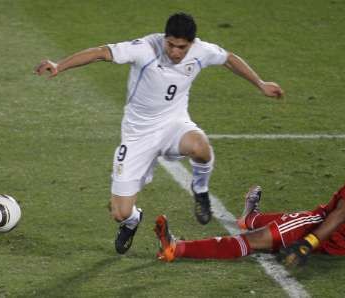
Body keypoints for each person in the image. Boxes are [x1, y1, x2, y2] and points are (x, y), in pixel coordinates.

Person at [34, 12, 284, 254]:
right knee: (119, 211)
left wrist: (260, 83)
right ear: (164, 37)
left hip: (173, 124)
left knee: (201, 147)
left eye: (182, 47)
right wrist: (60, 65)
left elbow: (229, 58)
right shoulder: (144, 48)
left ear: (192, 44)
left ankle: (200, 189)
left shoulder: (201, 51)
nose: (175, 52)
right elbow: (102, 53)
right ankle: (132, 221)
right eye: (171, 44)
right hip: (138, 135)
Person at [155, 118, 345, 266]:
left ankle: (177, 248)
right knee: (292, 218)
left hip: (329, 230)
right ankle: (250, 217)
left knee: (254, 240)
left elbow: (341, 213)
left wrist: (308, 244)